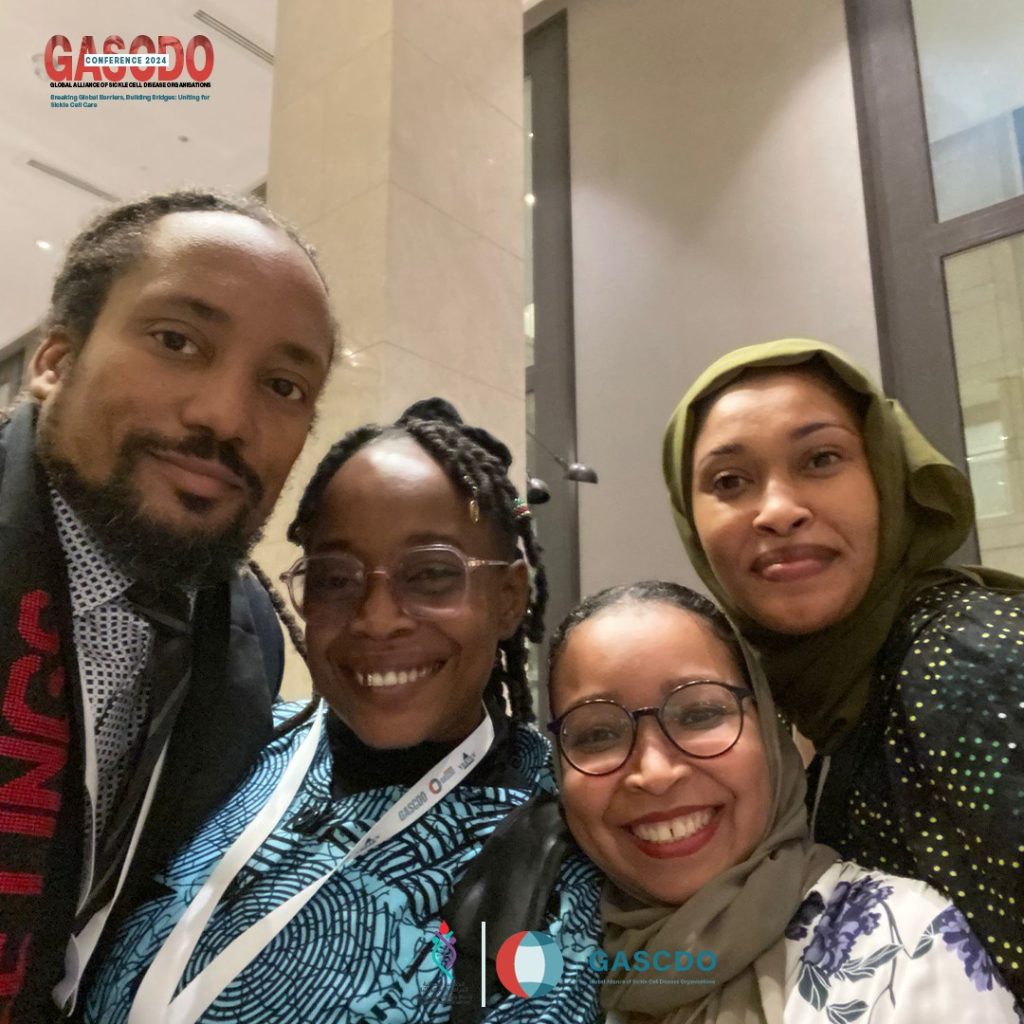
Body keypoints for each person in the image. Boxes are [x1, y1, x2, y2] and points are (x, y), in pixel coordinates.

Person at [83, 399, 603, 1024]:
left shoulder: (560, 845)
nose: (376, 619)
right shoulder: (232, 746)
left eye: (431, 574)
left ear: (509, 596)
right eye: (334, 579)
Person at [0, 189, 336, 1022]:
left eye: (283, 385)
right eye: (177, 341)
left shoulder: (247, 639)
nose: (225, 416)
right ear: (54, 361)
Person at [661, 338, 1024, 1000]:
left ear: (884, 477)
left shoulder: (965, 661)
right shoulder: (823, 694)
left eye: (821, 459)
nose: (779, 511)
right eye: (730, 482)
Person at [547, 580, 1021, 1023]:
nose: (654, 773)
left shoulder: (905, 949)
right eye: (597, 734)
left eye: (700, 713)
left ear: (772, 732)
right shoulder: (546, 966)